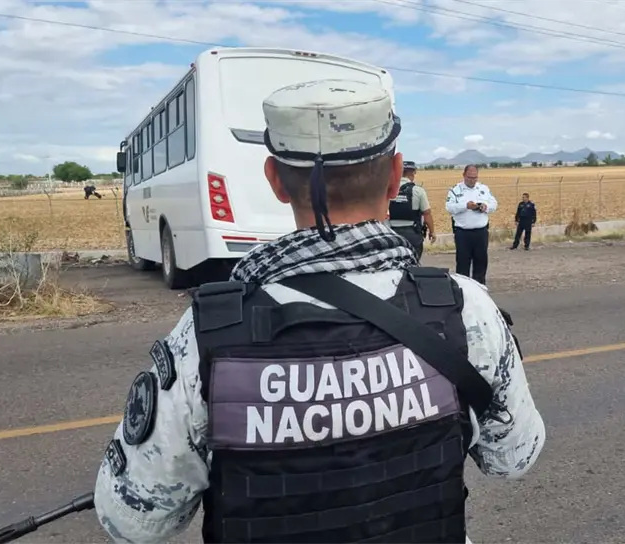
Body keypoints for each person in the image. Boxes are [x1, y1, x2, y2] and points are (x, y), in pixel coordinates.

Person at [92, 78, 545, 544]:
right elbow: (512, 457)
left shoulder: (207, 332)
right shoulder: (464, 306)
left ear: (275, 181)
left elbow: (131, 520)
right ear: (394, 177)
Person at [445, 165, 498, 285]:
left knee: (481, 262)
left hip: (481, 232)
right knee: (463, 263)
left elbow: (494, 203)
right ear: (464, 175)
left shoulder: (483, 188)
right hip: (463, 233)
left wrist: (485, 207)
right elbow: (449, 207)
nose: (472, 180)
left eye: (475, 178)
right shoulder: (455, 190)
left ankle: (480, 288)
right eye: (470, 177)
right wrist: (465, 206)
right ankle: (463, 289)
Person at [388, 160, 435, 261]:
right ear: (413, 173)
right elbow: (427, 214)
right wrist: (432, 232)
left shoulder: (388, 189)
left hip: (391, 233)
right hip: (412, 234)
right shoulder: (418, 190)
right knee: (414, 265)